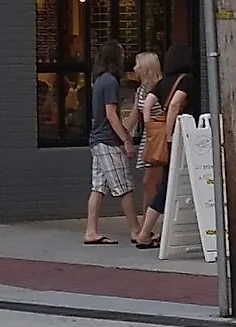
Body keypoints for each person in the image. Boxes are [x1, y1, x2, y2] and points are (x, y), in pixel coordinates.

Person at [137, 44, 195, 249]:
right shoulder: (186, 80)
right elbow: (175, 104)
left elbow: (147, 104)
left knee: (169, 184)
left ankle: (162, 232)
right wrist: (170, 133)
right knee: (169, 186)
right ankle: (145, 233)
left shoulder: (162, 83)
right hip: (181, 139)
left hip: (168, 141)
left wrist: (149, 124)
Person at [82, 42, 139, 244]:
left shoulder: (98, 81)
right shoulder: (111, 82)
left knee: (98, 187)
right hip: (108, 141)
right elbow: (112, 115)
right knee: (125, 187)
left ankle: (91, 231)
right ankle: (136, 231)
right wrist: (126, 139)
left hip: (96, 140)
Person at [126, 51, 162, 242]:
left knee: (150, 183)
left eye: (137, 65)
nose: (134, 68)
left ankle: (146, 228)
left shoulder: (159, 88)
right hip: (148, 141)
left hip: (157, 140)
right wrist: (124, 135)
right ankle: (147, 228)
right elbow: (134, 114)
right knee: (150, 184)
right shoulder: (141, 90)